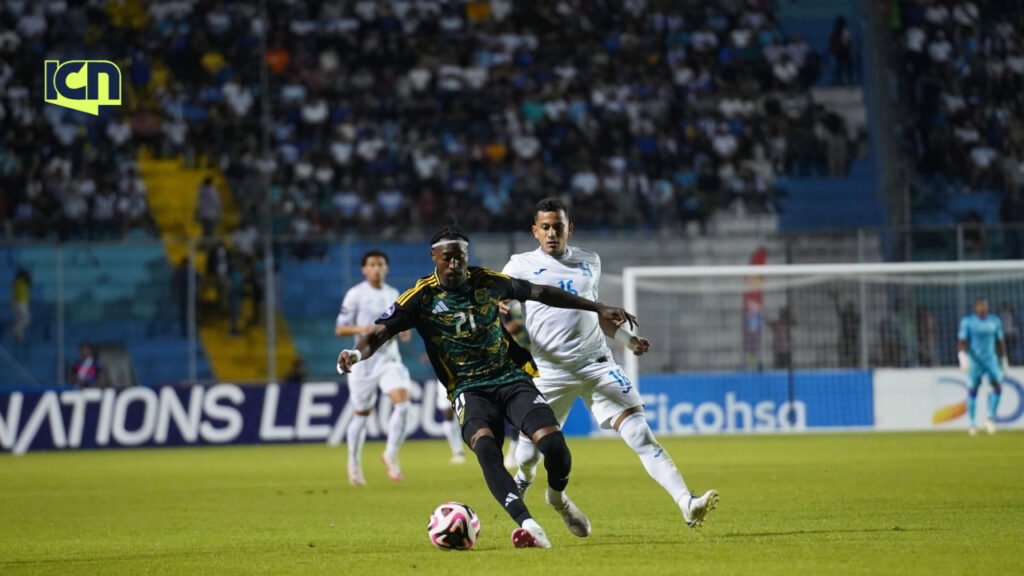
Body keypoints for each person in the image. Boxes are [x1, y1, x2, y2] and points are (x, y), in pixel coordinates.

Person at [337, 223, 637, 549]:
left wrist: (597, 306)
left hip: (511, 378)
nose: (455, 265)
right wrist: (355, 353)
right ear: (434, 257)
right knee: (487, 449)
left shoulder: (489, 282)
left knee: (553, 445)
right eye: (448, 258)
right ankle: (529, 525)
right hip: (468, 389)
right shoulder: (420, 297)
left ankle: (558, 497)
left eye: (461, 258)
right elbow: (380, 332)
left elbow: (541, 292)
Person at [501, 198, 719, 530]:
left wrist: (628, 340)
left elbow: (596, 315)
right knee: (528, 455)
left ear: (569, 229)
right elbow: (504, 312)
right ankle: (533, 484)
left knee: (641, 434)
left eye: (557, 227)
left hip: (596, 364)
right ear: (535, 231)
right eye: (544, 227)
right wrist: (516, 341)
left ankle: (686, 503)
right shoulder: (518, 266)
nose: (551, 233)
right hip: (547, 372)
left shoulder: (590, 261)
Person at [335, 250, 414, 485]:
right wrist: (366, 330)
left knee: (403, 404)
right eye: (372, 265)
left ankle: (390, 453)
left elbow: (399, 324)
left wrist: (403, 330)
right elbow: (340, 328)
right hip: (363, 363)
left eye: (380, 264)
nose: (376, 268)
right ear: (364, 269)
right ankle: (354, 463)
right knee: (361, 414)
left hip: (389, 359)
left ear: (386, 268)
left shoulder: (393, 294)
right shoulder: (355, 294)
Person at [957, 298, 1008, 435]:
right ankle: (972, 424)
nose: (983, 308)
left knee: (997, 386)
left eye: (985, 305)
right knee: (973, 390)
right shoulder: (968, 321)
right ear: (975, 307)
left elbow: (999, 341)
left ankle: (990, 418)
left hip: (991, 359)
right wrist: (962, 357)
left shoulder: (994, 321)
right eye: (980, 306)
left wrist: (1003, 360)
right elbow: (962, 341)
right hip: (975, 360)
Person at [432, 379, 466, 464]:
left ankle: (459, 451)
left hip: (458, 381)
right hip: (444, 383)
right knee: (448, 417)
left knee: (459, 417)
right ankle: (457, 451)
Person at [11, 269, 31, 343]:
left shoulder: (18, 282)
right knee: (26, 319)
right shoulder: (21, 282)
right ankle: (16, 331)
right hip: (20, 303)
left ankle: (18, 334)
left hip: (18, 302)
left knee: (20, 320)